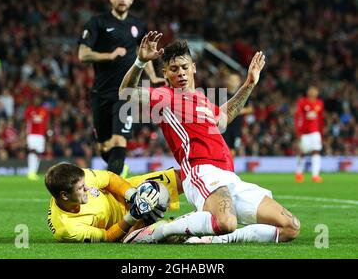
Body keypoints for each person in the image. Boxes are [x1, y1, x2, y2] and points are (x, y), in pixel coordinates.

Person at [119, 31, 301, 244]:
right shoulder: (165, 96)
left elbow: (223, 119)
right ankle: (160, 231)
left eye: (185, 67)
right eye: (174, 69)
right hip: (201, 171)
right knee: (226, 222)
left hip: (230, 176)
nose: (181, 73)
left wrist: (249, 84)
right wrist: (141, 61)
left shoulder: (203, 99)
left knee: (290, 227)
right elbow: (126, 92)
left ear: (193, 68)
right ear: (165, 73)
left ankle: (215, 240)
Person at [77, 0, 165, 177]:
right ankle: (118, 167)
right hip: (101, 91)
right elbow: (83, 54)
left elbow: (144, 54)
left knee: (119, 140)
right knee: (104, 145)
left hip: (126, 91)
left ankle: (112, 188)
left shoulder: (137, 25)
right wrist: (109, 55)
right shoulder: (97, 22)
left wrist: (153, 77)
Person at [45, 162, 181, 243]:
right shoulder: (68, 229)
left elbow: (109, 179)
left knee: (178, 177)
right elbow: (107, 236)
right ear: (64, 196)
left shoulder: (77, 176)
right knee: (167, 230)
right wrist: (133, 216)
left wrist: (134, 196)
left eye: (84, 184)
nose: (87, 187)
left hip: (124, 193)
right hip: (124, 226)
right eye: (81, 188)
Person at [294, 85, 324, 183]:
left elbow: (320, 119)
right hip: (304, 133)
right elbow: (298, 116)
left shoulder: (320, 103)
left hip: (315, 132)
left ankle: (315, 175)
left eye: (315, 90)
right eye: (311, 90)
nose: (313, 92)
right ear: (308, 92)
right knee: (302, 152)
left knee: (316, 151)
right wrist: (298, 131)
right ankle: (299, 173)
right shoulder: (302, 102)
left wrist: (321, 131)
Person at [221, 72, 254, 157]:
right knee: (225, 149)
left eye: (236, 80)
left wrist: (237, 111)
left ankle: (231, 169)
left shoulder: (243, 94)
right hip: (224, 126)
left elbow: (251, 109)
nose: (234, 82)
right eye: (232, 80)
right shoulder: (222, 94)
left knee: (233, 150)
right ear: (227, 81)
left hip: (236, 126)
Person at [24, 95, 50, 181]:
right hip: (32, 134)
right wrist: (24, 133)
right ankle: (30, 172)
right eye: (35, 99)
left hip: (41, 135)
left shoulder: (44, 110)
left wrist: (48, 133)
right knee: (32, 152)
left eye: (38, 99)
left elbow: (47, 123)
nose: (37, 101)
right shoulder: (29, 109)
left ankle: (34, 172)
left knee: (39, 154)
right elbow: (26, 122)